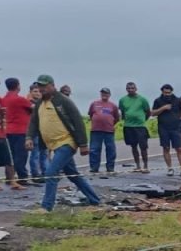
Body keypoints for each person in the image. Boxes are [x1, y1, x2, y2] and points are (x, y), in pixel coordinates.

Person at [26, 75, 101, 212]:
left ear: (52, 85)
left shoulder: (63, 101)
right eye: (39, 86)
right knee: (74, 175)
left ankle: (46, 207)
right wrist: (29, 137)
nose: (41, 89)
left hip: (66, 142)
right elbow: (33, 122)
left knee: (51, 172)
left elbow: (78, 121)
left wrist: (83, 144)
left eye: (44, 86)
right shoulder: (39, 104)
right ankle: (95, 200)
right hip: (52, 144)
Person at [1, 77, 33, 186]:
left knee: (10, 156)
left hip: (7, 130)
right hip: (20, 130)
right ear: (18, 86)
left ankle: (9, 177)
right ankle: (22, 177)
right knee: (21, 156)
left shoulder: (3, 99)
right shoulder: (20, 99)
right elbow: (33, 109)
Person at [152, 84, 181, 176]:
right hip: (163, 127)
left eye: (169, 92)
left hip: (175, 127)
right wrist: (163, 108)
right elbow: (153, 113)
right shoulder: (158, 100)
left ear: (172, 91)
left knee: (179, 148)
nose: (167, 94)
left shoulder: (177, 100)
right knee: (166, 147)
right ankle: (170, 168)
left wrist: (176, 119)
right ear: (162, 92)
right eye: (165, 92)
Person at [118, 81, 151, 173]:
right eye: (128, 88)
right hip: (128, 126)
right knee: (133, 146)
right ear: (126, 89)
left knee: (143, 147)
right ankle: (138, 165)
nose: (130, 90)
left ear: (136, 89)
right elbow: (123, 112)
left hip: (140, 126)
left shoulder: (142, 99)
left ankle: (145, 166)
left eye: (132, 88)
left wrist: (143, 119)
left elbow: (148, 112)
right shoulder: (122, 100)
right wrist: (126, 119)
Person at [86, 87, 120, 175]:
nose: (104, 95)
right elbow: (90, 115)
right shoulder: (94, 104)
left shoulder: (113, 105)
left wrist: (110, 123)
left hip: (109, 131)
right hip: (96, 130)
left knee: (111, 149)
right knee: (94, 149)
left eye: (106, 93)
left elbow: (117, 118)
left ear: (109, 95)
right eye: (103, 93)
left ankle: (110, 168)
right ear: (100, 94)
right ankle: (94, 168)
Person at [26, 83, 47, 180]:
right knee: (35, 153)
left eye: (39, 91)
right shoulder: (29, 103)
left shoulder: (43, 102)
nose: (37, 93)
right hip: (34, 131)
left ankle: (46, 172)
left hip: (43, 130)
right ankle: (35, 173)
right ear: (30, 92)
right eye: (35, 91)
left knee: (44, 153)